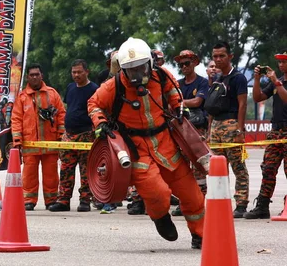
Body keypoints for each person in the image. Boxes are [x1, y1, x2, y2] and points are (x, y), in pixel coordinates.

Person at [88, 37, 205, 249]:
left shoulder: (161, 76)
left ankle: (201, 235)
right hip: (136, 149)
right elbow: (94, 103)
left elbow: (173, 93)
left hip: (166, 144)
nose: (137, 74)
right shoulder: (113, 86)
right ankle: (160, 217)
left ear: (150, 64)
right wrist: (101, 123)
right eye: (131, 70)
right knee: (157, 193)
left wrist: (180, 108)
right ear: (123, 69)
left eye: (140, 68)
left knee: (192, 195)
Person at [11, 63, 66, 211]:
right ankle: (28, 200)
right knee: (29, 175)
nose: (35, 77)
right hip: (30, 145)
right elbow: (16, 119)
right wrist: (17, 140)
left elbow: (61, 114)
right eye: (32, 75)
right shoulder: (22, 97)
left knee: (51, 175)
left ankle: (51, 200)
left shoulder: (52, 94)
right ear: (28, 77)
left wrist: (61, 136)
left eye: (37, 74)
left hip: (51, 143)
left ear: (42, 75)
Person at [206, 41, 249, 218]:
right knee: (216, 168)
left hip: (231, 125)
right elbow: (211, 106)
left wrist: (239, 130)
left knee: (238, 166)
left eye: (221, 56)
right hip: (216, 125)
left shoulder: (238, 78)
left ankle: (241, 204)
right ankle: (219, 201)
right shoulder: (217, 79)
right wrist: (209, 130)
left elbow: (243, 104)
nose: (218, 59)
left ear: (230, 56)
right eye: (215, 56)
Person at [49, 59, 98, 212]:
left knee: (85, 170)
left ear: (86, 72)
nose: (76, 75)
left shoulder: (94, 89)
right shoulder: (70, 88)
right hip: (69, 135)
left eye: (79, 72)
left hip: (86, 135)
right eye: (74, 72)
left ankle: (85, 200)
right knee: (65, 169)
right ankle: (63, 200)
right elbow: (68, 107)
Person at [245, 50, 287, 219]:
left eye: (284, 62)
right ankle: (263, 205)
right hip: (276, 131)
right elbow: (257, 97)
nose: (281, 65)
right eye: (280, 62)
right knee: (268, 168)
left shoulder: (279, 82)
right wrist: (257, 79)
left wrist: (276, 82)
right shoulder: (278, 81)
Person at [171, 50, 209, 216]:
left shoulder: (202, 83)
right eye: (181, 64)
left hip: (197, 129)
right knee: (183, 168)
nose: (184, 66)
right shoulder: (177, 84)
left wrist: (179, 103)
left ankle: (199, 202)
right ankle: (184, 203)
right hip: (181, 130)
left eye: (187, 63)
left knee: (199, 167)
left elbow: (197, 101)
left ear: (194, 63)